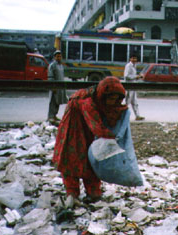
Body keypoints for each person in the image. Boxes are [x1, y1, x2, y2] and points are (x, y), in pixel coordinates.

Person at [52, 76, 128, 204]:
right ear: (103, 96)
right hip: (73, 129)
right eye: (110, 98)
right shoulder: (86, 101)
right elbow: (96, 126)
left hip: (87, 130)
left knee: (92, 161)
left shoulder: (98, 98)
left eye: (115, 99)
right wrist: (114, 138)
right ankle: (72, 194)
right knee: (71, 161)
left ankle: (94, 193)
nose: (112, 102)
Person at [47, 50, 68, 123]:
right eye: (57, 56)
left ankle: (55, 115)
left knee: (58, 102)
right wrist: (53, 87)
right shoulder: (52, 65)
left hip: (60, 87)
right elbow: (50, 77)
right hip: (54, 87)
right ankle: (50, 116)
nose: (59, 57)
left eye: (60, 56)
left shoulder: (61, 65)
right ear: (54, 57)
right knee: (53, 102)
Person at [124, 54, 144, 121]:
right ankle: (122, 116)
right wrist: (136, 77)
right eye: (133, 58)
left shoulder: (134, 66)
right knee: (127, 102)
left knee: (135, 102)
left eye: (135, 58)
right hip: (129, 87)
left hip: (133, 86)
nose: (134, 60)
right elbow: (126, 76)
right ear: (130, 59)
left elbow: (133, 76)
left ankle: (137, 116)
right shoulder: (128, 66)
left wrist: (138, 77)